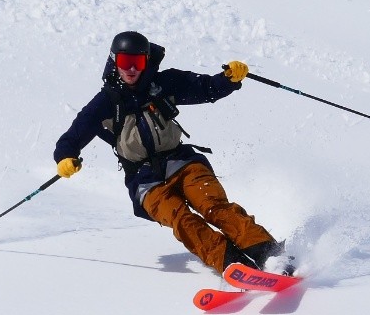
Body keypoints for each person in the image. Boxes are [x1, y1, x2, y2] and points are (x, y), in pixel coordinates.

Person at [53, 31, 285, 275]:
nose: (131, 69)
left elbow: (205, 88)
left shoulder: (162, 84)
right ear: (113, 62)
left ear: (146, 61)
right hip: (144, 179)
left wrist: (228, 80)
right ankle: (232, 262)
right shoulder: (105, 102)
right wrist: (64, 158)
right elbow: (73, 136)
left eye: (138, 62)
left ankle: (269, 254)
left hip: (183, 162)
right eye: (124, 62)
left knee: (212, 206)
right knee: (182, 219)